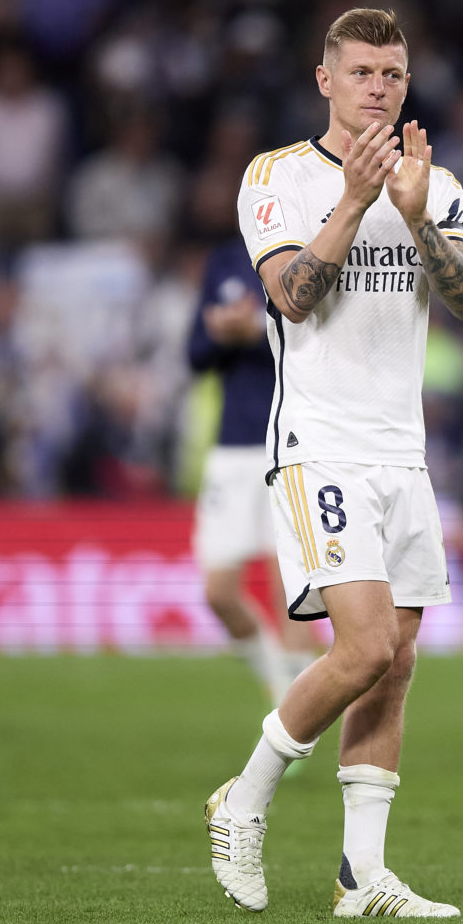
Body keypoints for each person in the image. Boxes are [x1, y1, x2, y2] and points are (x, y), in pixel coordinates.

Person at [205, 8, 463, 919]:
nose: (379, 87)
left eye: (393, 74)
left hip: (403, 453)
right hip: (317, 445)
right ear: (324, 79)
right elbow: (289, 297)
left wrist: (416, 217)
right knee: (361, 645)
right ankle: (243, 798)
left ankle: (363, 877)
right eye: (362, 71)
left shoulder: (434, 183)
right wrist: (358, 202)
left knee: (395, 662)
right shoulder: (277, 178)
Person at [188, 239, 314, 703]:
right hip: (233, 446)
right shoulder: (223, 262)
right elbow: (195, 354)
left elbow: (319, 342)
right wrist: (223, 333)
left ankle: (297, 717)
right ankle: (279, 680)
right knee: (219, 591)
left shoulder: (310, 249)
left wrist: (257, 331)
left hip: (290, 443)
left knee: (291, 593)